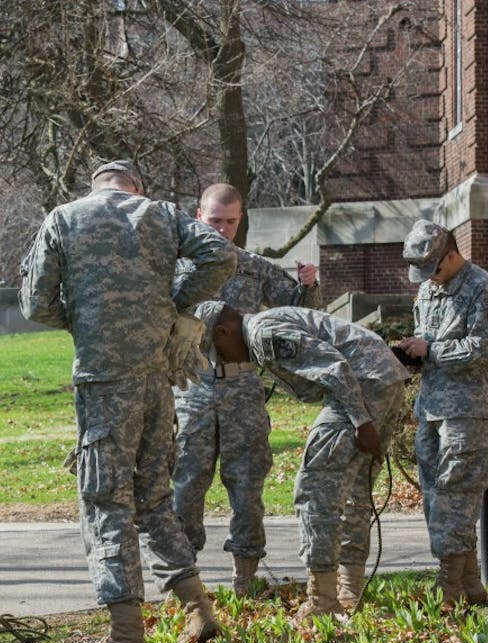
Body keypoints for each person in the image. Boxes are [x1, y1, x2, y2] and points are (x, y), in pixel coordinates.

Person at [19, 160, 236, 643]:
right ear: (136, 186)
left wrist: (86, 318)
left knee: (106, 502)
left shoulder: (65, 218)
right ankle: (198, 609)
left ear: (94, 186)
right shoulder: (159, 213)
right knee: (154, 497)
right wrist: (175, 309)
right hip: (155, 374)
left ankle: (125, 639)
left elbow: (33, 302)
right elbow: (219, 254)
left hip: (103, 378)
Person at [200, 302, 410, 618]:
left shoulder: (263, 334)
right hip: (380, 378)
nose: (226, 361)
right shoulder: (265, 324)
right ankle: (349, 592)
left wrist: (360, 421)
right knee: (355, 491)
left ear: (223, 331)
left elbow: (334, 367)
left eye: (219, 352)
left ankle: (322, 601)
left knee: (315, 489)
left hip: (358, 387)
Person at [173, 183, 322, 596]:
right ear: (198, 216)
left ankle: (244, 577)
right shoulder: (176, 269)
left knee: (247, 485)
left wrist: (308, 285)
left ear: (241, 221)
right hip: (193, 388)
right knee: (186, 483)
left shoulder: (254, 267)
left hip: (242, 388)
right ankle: (186, 584)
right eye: (215, 220)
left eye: (231, 222)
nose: (222, 230)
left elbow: (296, 313)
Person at [399, 219, 488, 607]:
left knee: (457, 495)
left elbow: (481, 346)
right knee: (436, 496)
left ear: (451, 256)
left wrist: (430, 351)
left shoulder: (481, 288)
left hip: (467, 412)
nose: (428, 280)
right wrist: (409, 355)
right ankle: (470, 587)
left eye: (432, 270)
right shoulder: (427, 289)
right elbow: (427, 339)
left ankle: (448, 589)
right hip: (431, 408)